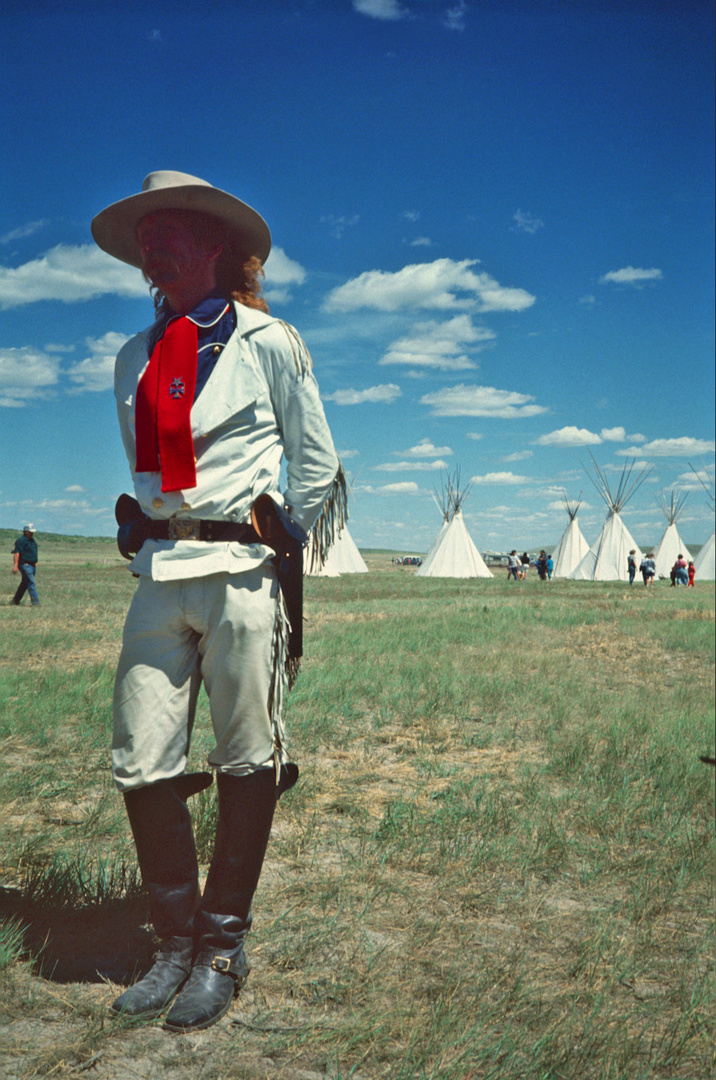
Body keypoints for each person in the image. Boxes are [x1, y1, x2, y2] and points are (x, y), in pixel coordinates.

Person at [91, 172, 343, 1032]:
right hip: (160, 578)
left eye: (167, 236)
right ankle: (172, 943)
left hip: (242, 573)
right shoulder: (133, 358)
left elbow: (316, 461)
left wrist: (286, 528)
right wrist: (146, 522)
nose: (151, 252)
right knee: (139, 756)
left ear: (213, 249)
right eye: (144, 241)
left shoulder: (272, 342)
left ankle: (222, 948)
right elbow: (144, 466)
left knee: (247, 755)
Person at [11, 524, 40, 606]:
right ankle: (36, 602)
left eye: (32, 532)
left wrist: (35, 562)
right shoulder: (21, 541)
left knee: (24, 584)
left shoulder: (32, 540)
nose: (32, 533)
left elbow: (33, 551)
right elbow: (17, 553)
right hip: (25, 565)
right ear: (25, 532)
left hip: (32, 565)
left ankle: (15, 601)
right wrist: (16, 565)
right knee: (31, 583)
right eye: (30, 532)